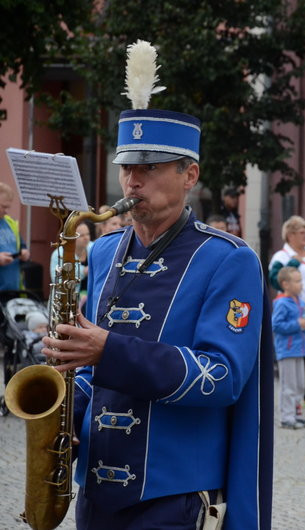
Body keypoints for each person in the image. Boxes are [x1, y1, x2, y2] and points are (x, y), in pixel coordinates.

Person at [41, 42, 271, 529]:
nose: (132, 182)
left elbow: (221, 376)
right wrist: (69, 410)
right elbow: (88, 369)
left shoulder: (229, 260)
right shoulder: (103, 251)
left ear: (190, 175)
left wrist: (109, 351)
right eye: (128, 167)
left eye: (150, 168)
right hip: (98, 490)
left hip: (174, 495)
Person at [272, 266, 305, 429]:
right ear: (285, 284)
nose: (300, 284)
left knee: (300, 384)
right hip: (287, 350)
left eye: (301, 281)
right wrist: (297, 324)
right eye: (297, 281)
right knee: (288, 385)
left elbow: (303, 321)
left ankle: (297, 414)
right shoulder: (282, 303)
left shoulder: (300, 302)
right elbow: (276, 325)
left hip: (299, 349)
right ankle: (286, 417)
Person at [0, 182, 30, 291]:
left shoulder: (10, 223)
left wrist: (24, 253)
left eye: (9, 207)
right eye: (3, 206)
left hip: (13, 290)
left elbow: (21, 246)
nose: (7, 211)